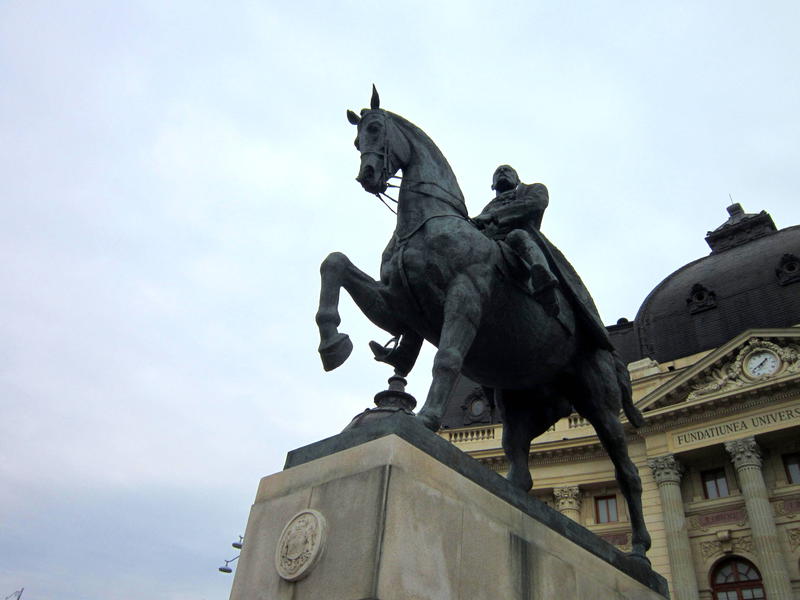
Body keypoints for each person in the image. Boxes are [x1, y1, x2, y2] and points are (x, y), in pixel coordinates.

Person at [473, 165, 560, 316]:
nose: (501, 172)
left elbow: (536, 203)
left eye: (507, 170)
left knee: (518, 235)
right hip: (490, 242)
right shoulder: (487, 207)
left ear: (517, 180)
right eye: (497, 172)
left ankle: (544, 281)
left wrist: (495, 216)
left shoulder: (533, 189)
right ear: (492, 186)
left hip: (518, 242)